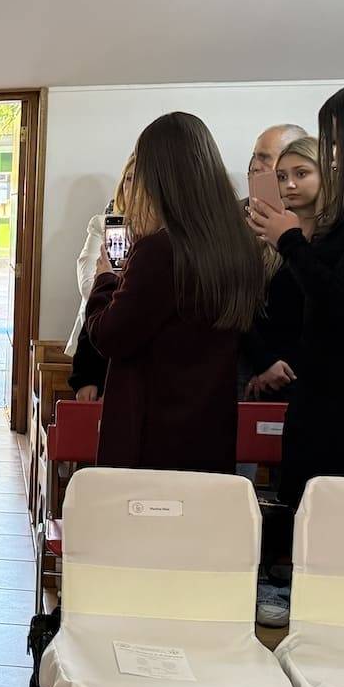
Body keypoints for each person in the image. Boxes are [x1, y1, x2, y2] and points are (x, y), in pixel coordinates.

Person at [86, 112, 263, 473]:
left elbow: (110, 336)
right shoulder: (240, 246)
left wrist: (105, 280)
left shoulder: (160, 250)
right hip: (210, 430)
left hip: (154, 436)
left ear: (159, 177)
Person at [248, 77, 344, 509]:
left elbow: (340, 299)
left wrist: (289, 241)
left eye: (336, 140)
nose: (333, 155)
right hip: (336, 399)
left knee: (328, 519)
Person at [242, 136, 322, 402]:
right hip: (268, 374)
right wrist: (263, 362)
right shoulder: (263, 238)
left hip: (320, 375)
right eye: (281, 177)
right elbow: (244, 307)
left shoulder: (337, 234)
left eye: (301, 174)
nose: (290, 184)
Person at [65, 154, 135, 401]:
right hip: (96, 343)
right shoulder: (108, 226)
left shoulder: (164, 233)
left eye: (139, 179)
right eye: (128, 178)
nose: (132, 186)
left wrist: (115, 276)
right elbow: (89, 285)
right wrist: (112, 278)